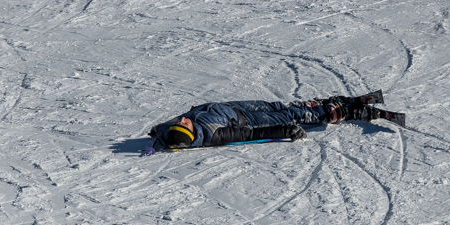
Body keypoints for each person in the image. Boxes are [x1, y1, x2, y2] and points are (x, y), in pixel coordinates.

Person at [148, 90, 397, 149]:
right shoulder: (215, 135)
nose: (182, 118)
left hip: (232, 107)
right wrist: (284, 130)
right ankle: (336, 112)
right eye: (184, 124)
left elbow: (165, 131)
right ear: (191, 134)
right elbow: (248, 135)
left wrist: (158, 131)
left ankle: (321, 105)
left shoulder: (172, 130)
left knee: (279, 105)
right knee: (288, 115)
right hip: (247, 121)